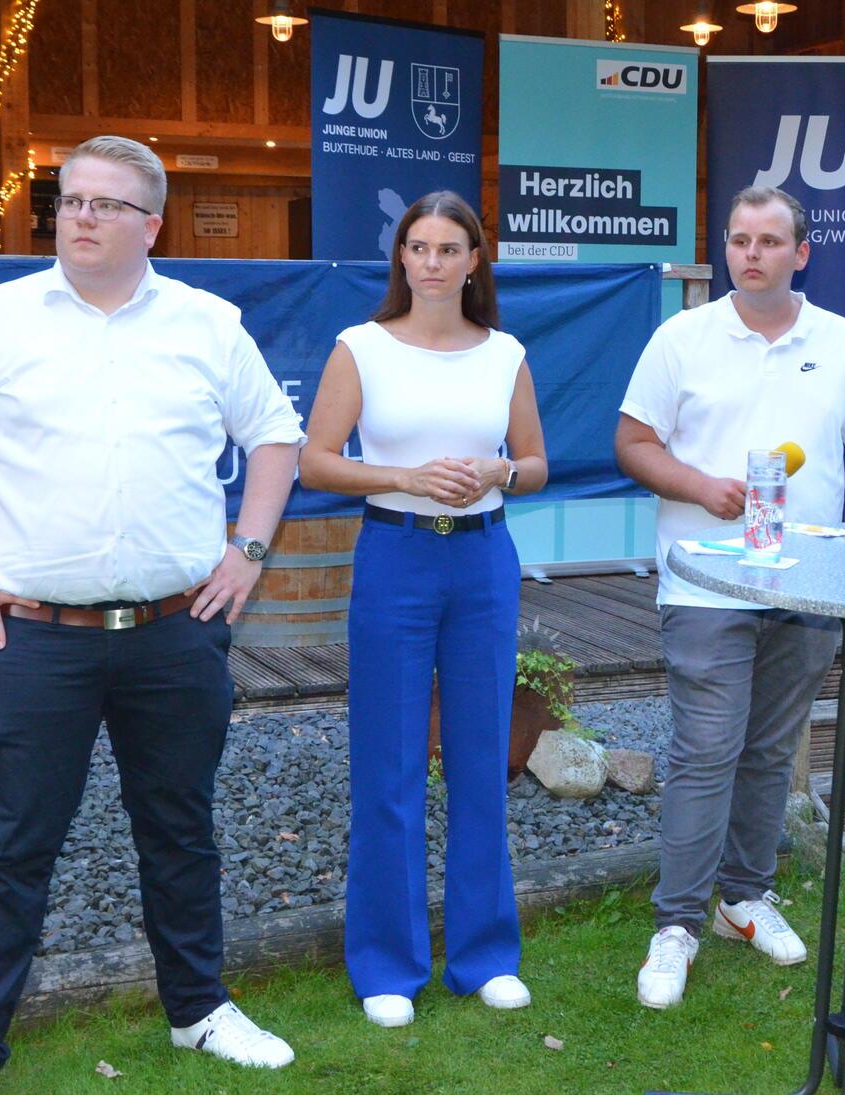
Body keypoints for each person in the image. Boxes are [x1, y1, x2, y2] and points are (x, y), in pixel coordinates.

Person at [0, 136, 302, 1095]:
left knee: (180, 826)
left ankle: (199, 1011)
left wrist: (247, 552)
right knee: (12, 844)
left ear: (151, 223)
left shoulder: (208, 324)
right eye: (70, 198)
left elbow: (275, 437)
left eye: (106, 204)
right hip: (33, 636)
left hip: (173, 632)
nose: (80, 215)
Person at [616, 185, 845, 1009]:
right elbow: (632, 443)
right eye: (739, 239)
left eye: (770, 240)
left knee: (771, 750)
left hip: (808, 582)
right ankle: (676, 924)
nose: (752, 253)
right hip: (704, 581)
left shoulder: (842, 342)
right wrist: (702, 487)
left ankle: (744, 895)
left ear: (801, 253)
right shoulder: (682, 337)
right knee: (707, 748)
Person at [298, 191, 547, 1029]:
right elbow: (318, 462)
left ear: (476, 261)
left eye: (450, 248)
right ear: (400, 259)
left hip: (482, 558)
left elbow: (538, 462)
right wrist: (403, 476)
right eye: (419, 246)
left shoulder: (504, 351)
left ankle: (484, 956)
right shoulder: (361, 348)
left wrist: (498, 471)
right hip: (396, 553)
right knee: (390, 760)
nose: (434, 262)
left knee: (482, 757)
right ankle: (387, 964)